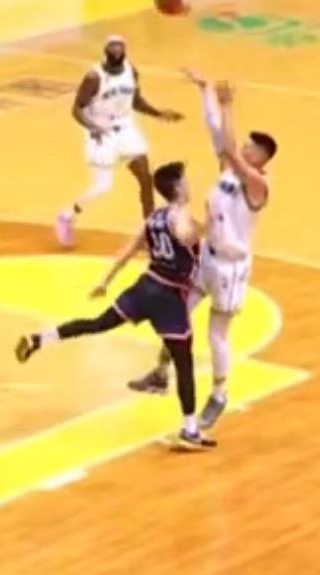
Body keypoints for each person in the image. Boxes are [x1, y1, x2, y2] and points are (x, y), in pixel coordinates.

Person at [18, 162, 216, 449]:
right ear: (177, 188)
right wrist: (210, 222)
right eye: (185, 180)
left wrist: (105, 281)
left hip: (145, 286)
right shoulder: (180, 215)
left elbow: (127, 251)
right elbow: (186, 236)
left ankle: (40, 339)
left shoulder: (153, 218)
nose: (189, 183)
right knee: (183, 362)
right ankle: (190, 430)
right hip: (169, 296)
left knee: (98, 323)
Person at [128, 74, 278, 431]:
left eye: (250, 146)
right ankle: (161, 373)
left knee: (216, 335)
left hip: (230, 268)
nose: (243, 147)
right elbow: (216, 132)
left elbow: (229, 147)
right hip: (206, 258)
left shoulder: (258, 184)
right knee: (174, 314)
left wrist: (228, 106)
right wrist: (205, 92)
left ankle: (219, 395)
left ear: (261, 156)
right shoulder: (228, 170)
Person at [55, 35, 182, 247]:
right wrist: (93, 127)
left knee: (145, 177)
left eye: (120, 47)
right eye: (112, 47)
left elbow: (136, 102)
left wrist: (159, 113)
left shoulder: (131, 71)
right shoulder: (94, 77)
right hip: (101, 132)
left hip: (126, 129)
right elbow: (76, 109)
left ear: (124, 51)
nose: (116, 50)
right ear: (105, 51)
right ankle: (68, 214)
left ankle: (149, 232)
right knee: (102, 187)